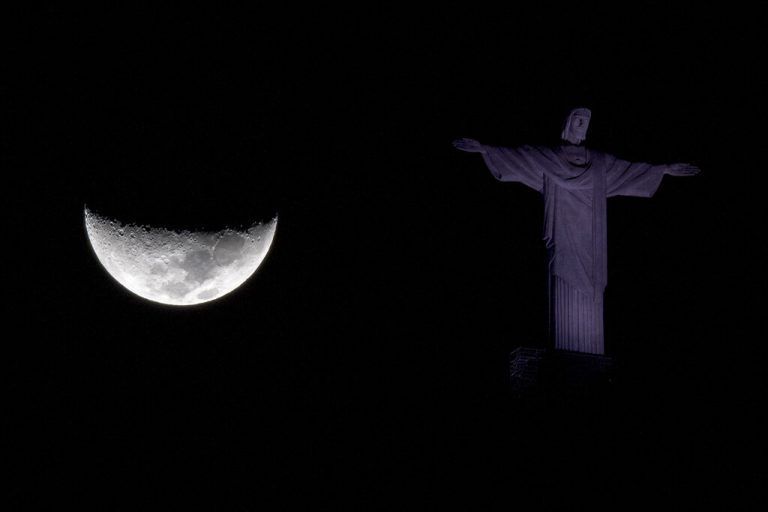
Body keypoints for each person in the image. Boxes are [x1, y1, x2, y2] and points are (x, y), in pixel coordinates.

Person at [453, 108, 700, 354]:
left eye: (586, 121)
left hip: (591, 242)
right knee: (562, 292)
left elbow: (630, 170)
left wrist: (664, 169)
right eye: (578, 119)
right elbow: (520, 157)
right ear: (568, 123)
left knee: (591, 303)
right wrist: (486, 149)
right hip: (563, 238)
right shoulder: (549, 157)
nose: (582, 125)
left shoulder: (600, 163)